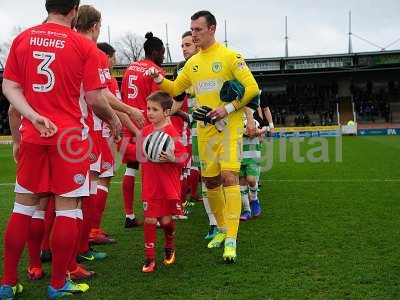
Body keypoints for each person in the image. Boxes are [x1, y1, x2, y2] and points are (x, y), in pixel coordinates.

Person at [0, 0, 121, 298]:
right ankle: (57, 285)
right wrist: (115, 118)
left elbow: (9, 87)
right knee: (69, 209)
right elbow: (94, 99)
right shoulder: (84, 47)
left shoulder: (23, 38)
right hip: (70, 140)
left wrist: (30, 119)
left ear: (47, 6)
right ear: (74, 11)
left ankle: (7, 282)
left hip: (32, 134)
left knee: (23, 208)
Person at [146, 10, 259, 262]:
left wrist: (227, 108)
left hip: (228, 129)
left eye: (198, 30)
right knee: (210, 182)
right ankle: (220, 229)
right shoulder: (193, 64)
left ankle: (231, 239)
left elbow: (252, 89)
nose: (194, 34)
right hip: (204, 131)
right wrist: (159, 79)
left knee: (229, 176)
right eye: (192, 30)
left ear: (212, 29)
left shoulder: (230, 57)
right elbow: (176, 88)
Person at [122, 91, 187, 272]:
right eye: (148, 108)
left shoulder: (172, 133)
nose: (149, 113)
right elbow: (139, 152)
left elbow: (183, 156)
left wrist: (173, 158)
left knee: (166, 222)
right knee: (150, 220)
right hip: (150, 185)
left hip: (167, 186)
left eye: (154, 109)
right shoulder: (146, 131)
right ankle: (149, 259)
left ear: (166, 112)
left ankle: (169, 244)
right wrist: (122, 143)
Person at [120, 32, 165, 228]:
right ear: (155, 52)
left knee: (131, 168)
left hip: (127, 123)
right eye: (162, 53)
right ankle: (151, 215)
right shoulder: (154, 71)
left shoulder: (130, 67)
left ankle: (129, 215)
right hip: (146, 125)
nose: (163, 57)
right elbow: (158, 102)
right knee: (151, 172)